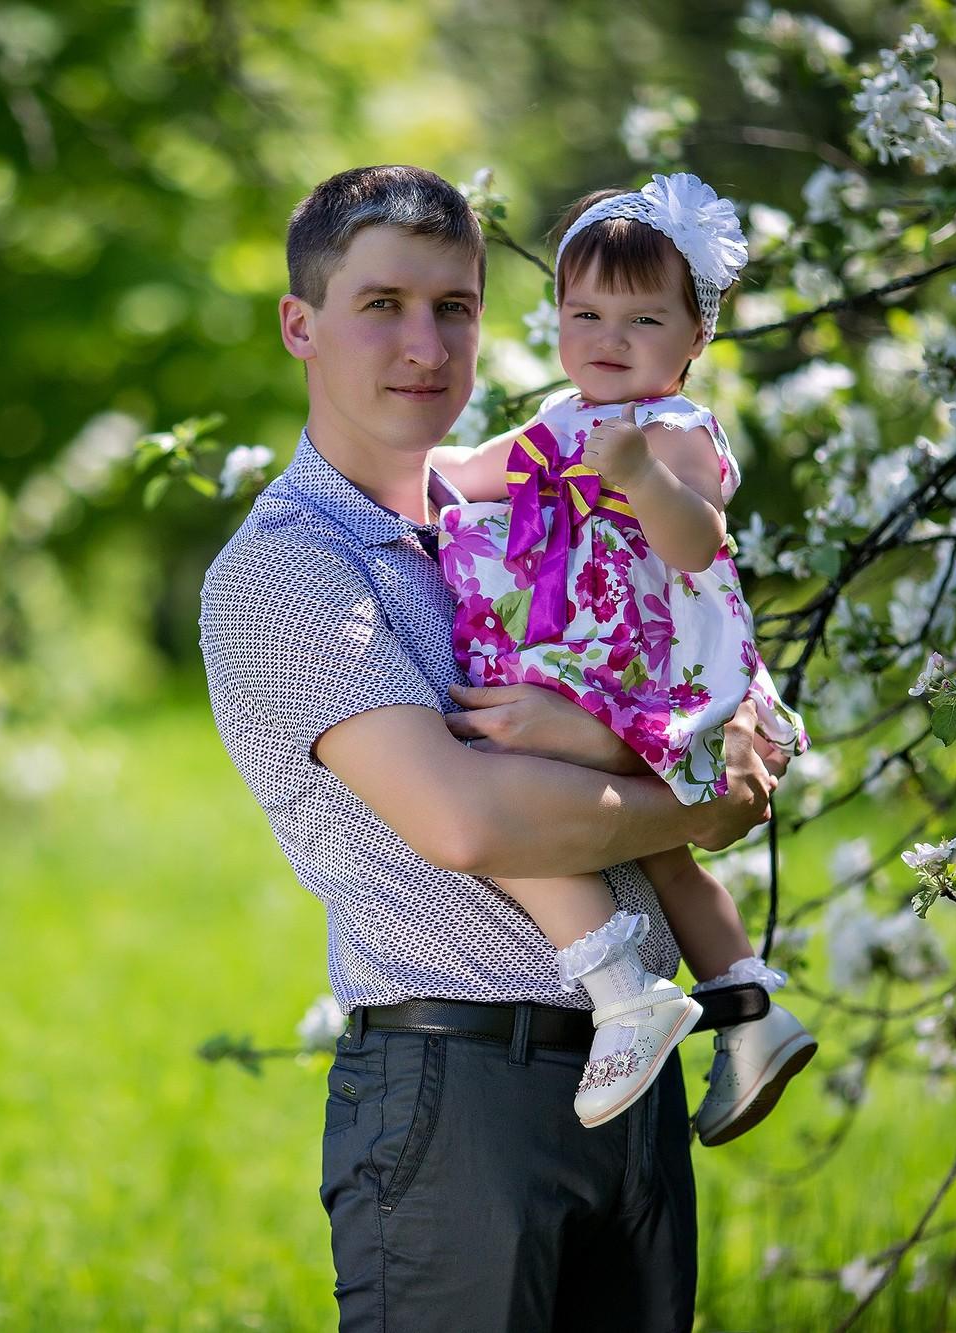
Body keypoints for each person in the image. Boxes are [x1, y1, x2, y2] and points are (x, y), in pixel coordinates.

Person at [198, 163, 785, 1330]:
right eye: (381, 305)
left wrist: (664, 727)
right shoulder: (288, 570)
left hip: (635, 1089)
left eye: (453, 308)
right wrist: (693, 795)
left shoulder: (535, 514)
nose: (425, 345)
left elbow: (701, 679)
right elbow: (467, 819)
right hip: (458, 1098)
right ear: (298, 325)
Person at [430, 174, 817, 1140]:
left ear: (696, 340)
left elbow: (696, 546)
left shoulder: (673, 434)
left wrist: (639, 473)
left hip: (651, 668)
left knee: (506, 793)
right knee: (666, 853)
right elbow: (459, 475)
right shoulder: (561, 420)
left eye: (643, 318)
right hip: (596, 662)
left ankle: (623, 989)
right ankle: (747, 1011)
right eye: (585, 312)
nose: (609, 337)